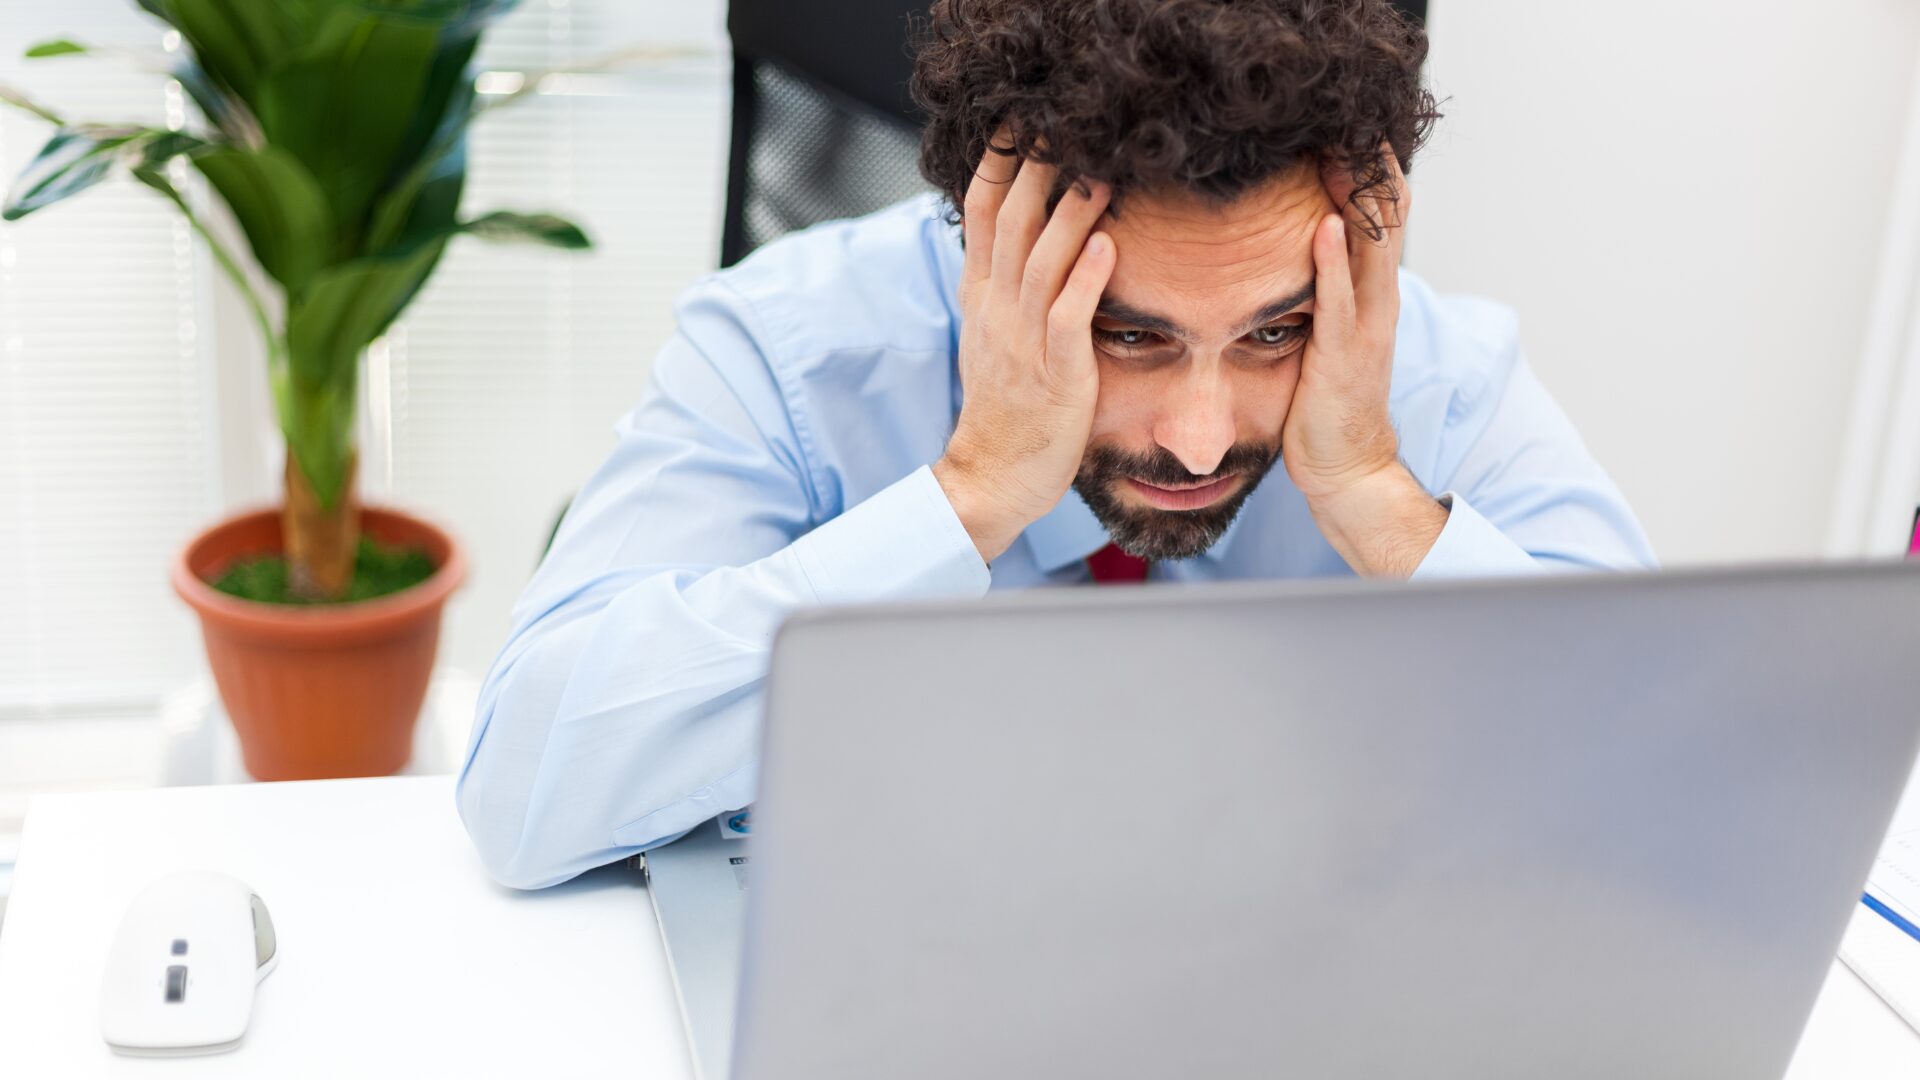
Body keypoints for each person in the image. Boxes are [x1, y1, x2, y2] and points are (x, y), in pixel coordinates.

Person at [458, 0, 1654, 888]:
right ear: (983, 223)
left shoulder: (1431, 375)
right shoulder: (791, 350)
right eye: (1128, 335)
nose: (1196, 443)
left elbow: (1683, 785)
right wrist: (971, 492)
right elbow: (522, 789)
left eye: (1269, 333)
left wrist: (1373, 494)